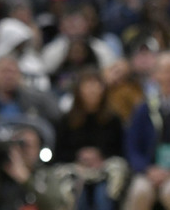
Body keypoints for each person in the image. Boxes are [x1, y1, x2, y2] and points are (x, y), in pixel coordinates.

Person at [124, 52, 170, 210]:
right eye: (165, 71)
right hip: (149, 171)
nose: (169, 76)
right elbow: (132, 147)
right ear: (155, 75)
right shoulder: (143, 109)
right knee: (140, 191)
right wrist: (147, 169)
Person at [54, 69, 127, 210]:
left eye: (96, 85)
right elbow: (58, 153)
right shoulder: (66, 120)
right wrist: (78, 157)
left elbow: (121, 150)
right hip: (74, 171)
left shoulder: (113, 120)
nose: (92, 90)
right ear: (79, 90)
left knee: (103, 197)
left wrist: (101, 156)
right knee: (77, 197)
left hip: (105, 171)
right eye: (87, 85)